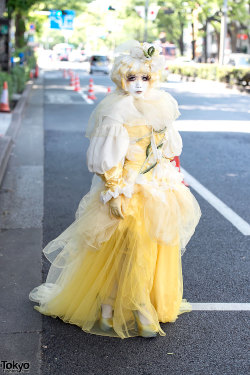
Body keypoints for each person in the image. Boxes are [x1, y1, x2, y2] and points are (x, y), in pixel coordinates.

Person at [29, 40, 201, 339]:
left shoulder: (161, 104)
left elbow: (169, 149)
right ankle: (126, 310)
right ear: (121, 79)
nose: (137, 84)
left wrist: (172, 175)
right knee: (126, 249)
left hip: (158, 186)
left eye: (144, 78)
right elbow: (107, 160)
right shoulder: (115, 109)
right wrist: (113, 190)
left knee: (150, 247)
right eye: (131, 78)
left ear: (153, 78)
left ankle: (123, 308)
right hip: (126, 188)